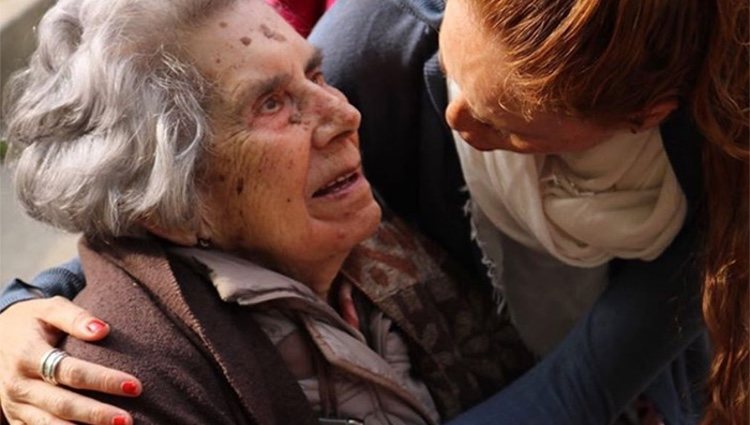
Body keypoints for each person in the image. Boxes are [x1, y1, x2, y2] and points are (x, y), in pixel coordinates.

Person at [0, 0, 747, 424]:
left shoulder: (714, 160)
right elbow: (142, 229)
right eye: (272, 102)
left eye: (315, 75)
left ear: (646, 115)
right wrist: (19, 304)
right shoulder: (115, 388)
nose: (344, 112)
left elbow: (587, 382)